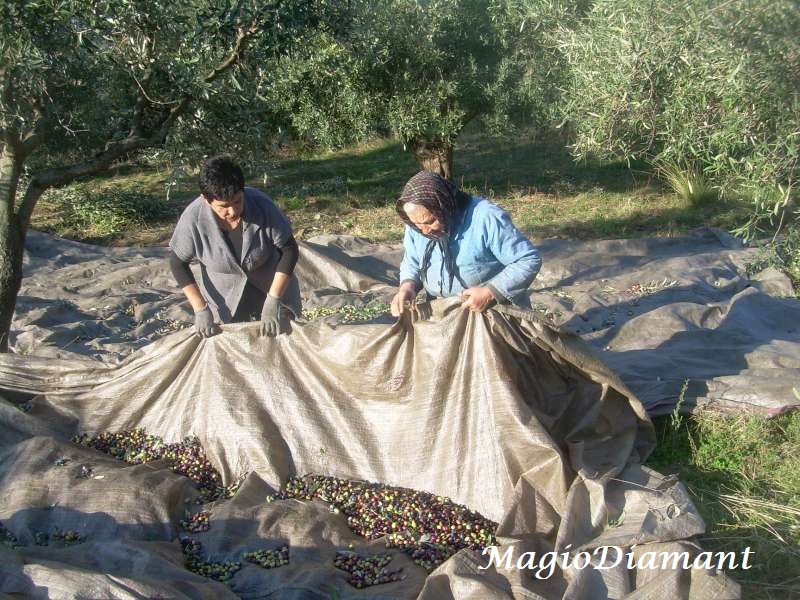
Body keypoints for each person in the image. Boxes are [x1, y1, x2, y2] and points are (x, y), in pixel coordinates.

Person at [169, 156, 301, 338]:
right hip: (226, 301)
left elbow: (289, 250)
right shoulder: (193, 219)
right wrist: (200, 308)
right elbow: (177, 263)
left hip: (271, 291)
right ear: (206, 200)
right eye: (223, 206)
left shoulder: (261, 206)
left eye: (238, 201)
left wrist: (274, 299)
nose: (232, 211)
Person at [390, 170, 541, 316]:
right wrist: (407, 287)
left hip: (490, 313)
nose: (424, 231)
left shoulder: (485, 217)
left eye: (430, 221)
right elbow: (412, 260)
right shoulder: (417, 223)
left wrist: (490, 292)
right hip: (441, 312)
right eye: (416, 224)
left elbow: (527, 259)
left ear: (444, 205)